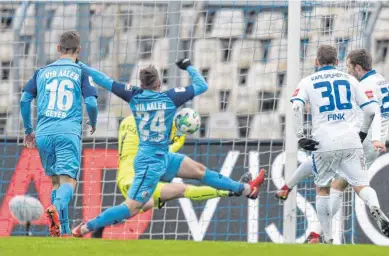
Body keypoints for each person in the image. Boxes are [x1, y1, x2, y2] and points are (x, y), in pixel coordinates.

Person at [72, 59, 265, 237]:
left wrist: (81, 66)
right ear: (158, 84)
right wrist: (188, 66)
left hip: (159, 157)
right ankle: (87, 227)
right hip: (150, 164)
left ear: (142, 84)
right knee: (131, 207)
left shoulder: (133, 95)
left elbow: (103, 80)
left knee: (199, 171)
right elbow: (202, 85)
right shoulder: (171, 97)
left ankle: (246, 189)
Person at [275, 45, 389, 243]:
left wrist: (299, 135)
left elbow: (296, 106)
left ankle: (326, 238)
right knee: (354, 186)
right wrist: (370, 136)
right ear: (336, 62)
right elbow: (373, 110)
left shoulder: (308, 81)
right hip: (356, 140)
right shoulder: (362, 80)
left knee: (323, 188)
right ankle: (372, 206)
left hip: (327, 140)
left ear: (316, 62)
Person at [91, 115, 246, 238]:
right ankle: (97, 224)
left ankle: (101, 225)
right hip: (135, 177)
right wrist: (177, 140)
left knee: (148, 203)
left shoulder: (129, 122)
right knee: (180, 190)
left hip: (133, 175)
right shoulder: (144, 127)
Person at [19, 31, 98, 237]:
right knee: (69, 181)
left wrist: (29, 130)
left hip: (44, 133)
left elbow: (24, 100)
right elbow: (91, 102)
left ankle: (61, 230)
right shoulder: (81, 72)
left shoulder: (41, 71)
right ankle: (55, 209)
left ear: (57, 49)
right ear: (79, 50)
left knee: (55, 181)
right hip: (67, 131)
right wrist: (93, 121)